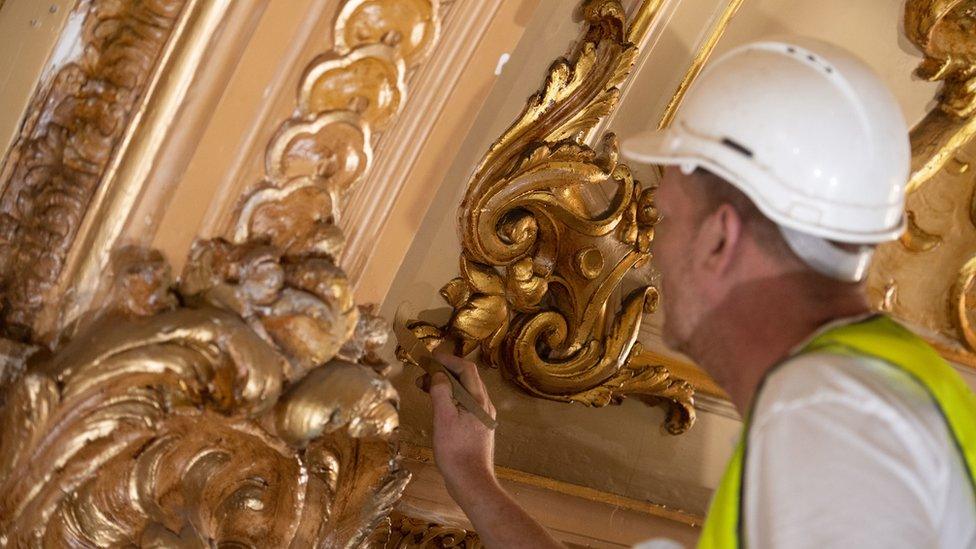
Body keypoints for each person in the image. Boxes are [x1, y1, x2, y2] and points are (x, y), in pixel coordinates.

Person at [419, 37, 976, 548]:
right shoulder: (869, 395)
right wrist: (474, 478)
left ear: (719, 237)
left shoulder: (828, 418)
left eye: (666, 218)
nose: (653, 252)